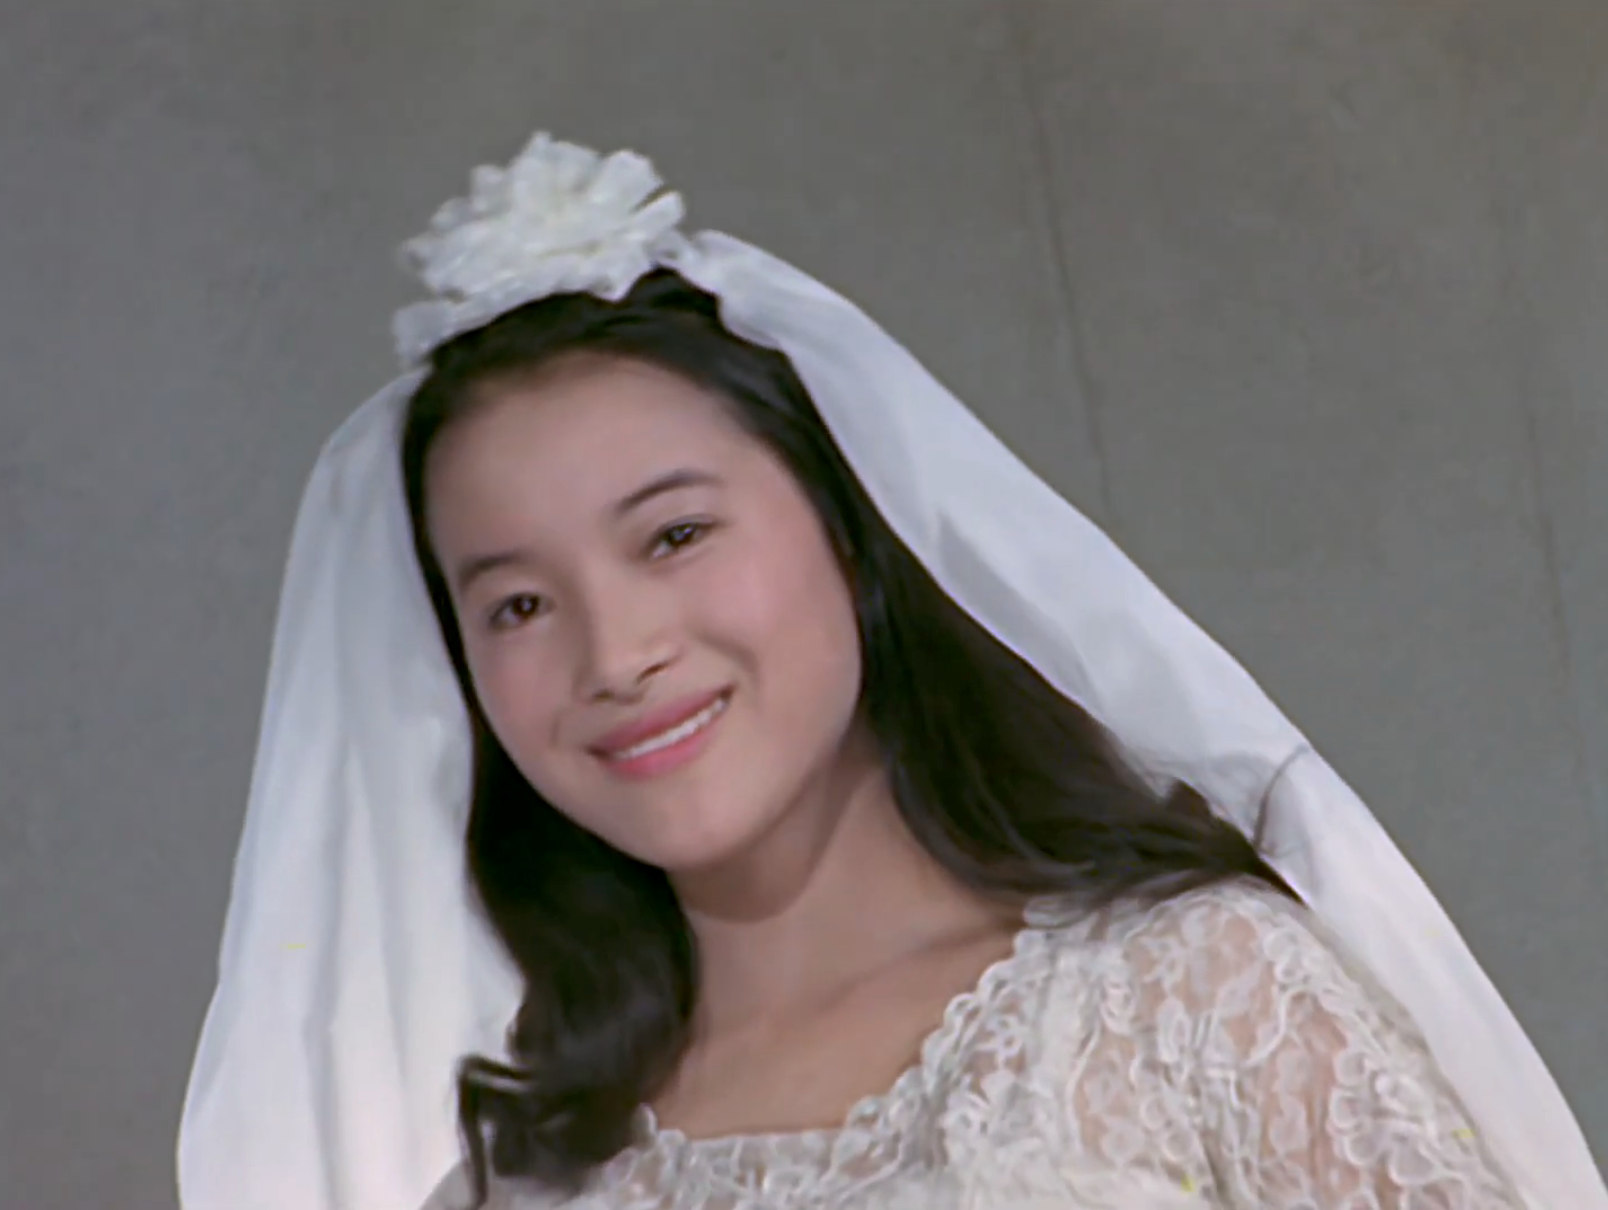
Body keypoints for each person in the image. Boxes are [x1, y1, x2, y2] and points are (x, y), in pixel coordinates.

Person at [177, 134, 1608, 1210]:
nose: (617, 654)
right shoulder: (525, 1179)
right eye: (519, 604)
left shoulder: (1196, 996)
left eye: (675, 534)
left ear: (851, 525)